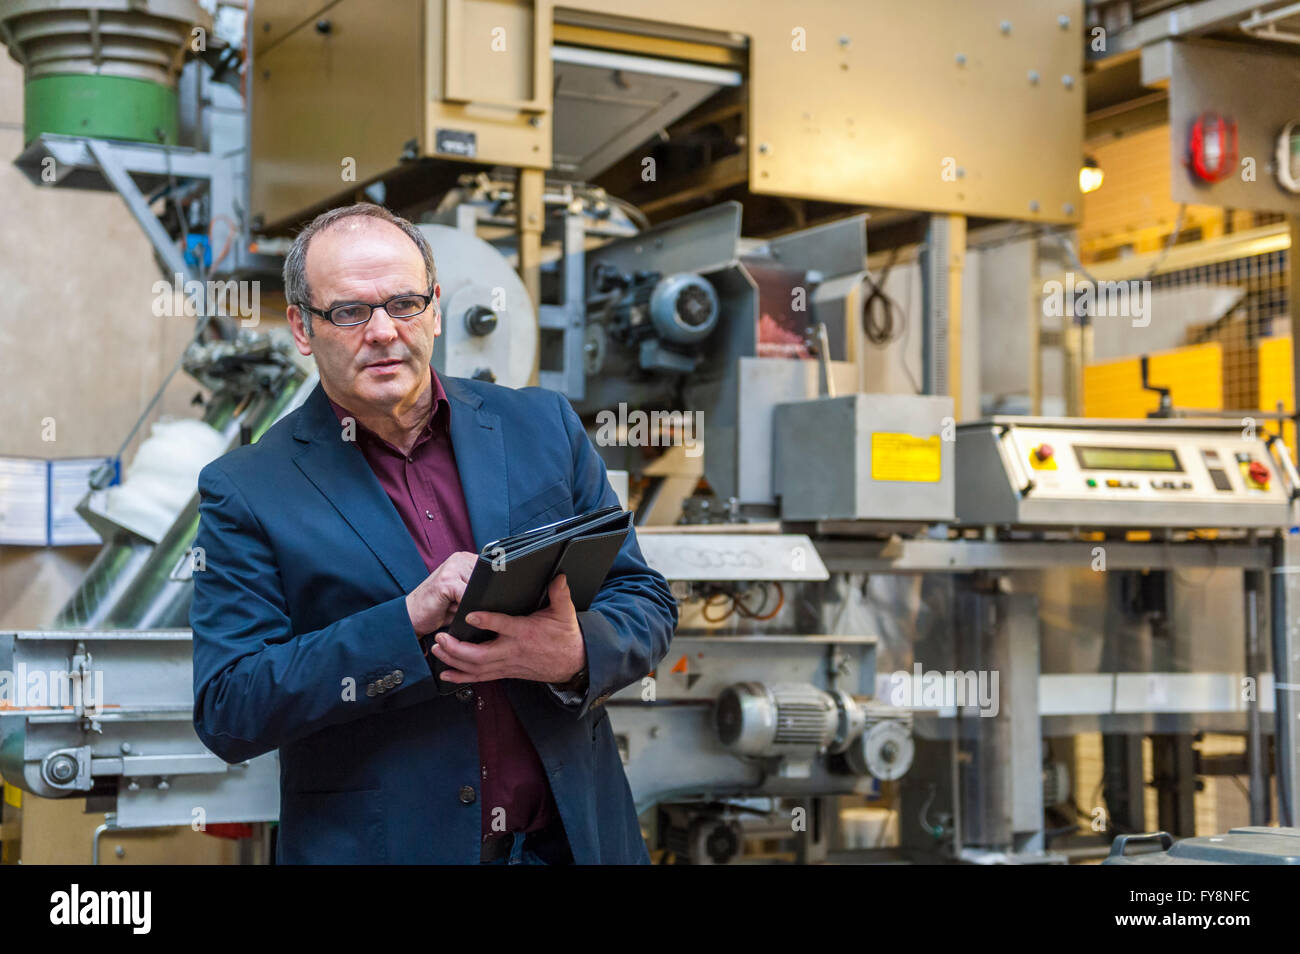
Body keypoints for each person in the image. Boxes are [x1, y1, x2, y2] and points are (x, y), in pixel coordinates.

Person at [189, 203, 677, 864]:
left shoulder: (542, 426)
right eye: (351, 312)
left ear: (438, 308)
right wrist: (405, 623)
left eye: (405, 304)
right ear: (302, 329)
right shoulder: (249, 487)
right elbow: (229, 707)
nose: (385, 332)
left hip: (574, 845)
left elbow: (645, 601)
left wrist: (574, 653)